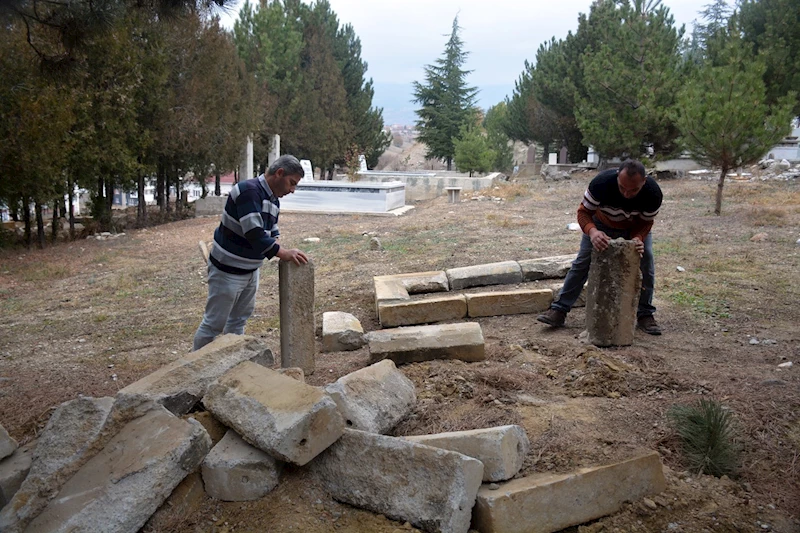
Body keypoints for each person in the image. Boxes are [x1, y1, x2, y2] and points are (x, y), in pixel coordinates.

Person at [193, 155, 309, 351]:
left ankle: (231, 362)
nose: (292, 190)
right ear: (279, 173)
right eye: (291, 183)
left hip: (249, 271)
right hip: (227, 271)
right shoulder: (249, 191)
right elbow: (255, 233)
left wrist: (278, 245)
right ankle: (194, 369)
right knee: (213, 324)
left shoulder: (272, 200)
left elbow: (272, 233)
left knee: (238, 321)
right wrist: (284, 253)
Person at [536, 159, 663, 335]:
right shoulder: (601, 183)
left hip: (632, 228)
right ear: (617, 176)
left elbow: (646, 223)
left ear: (644, 182)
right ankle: (559, 310)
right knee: (582, 262)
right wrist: (593, 232)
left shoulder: (653, 193)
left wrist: (638, 239)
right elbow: (583, 213)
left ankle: (645, 314)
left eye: (633, 190)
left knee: (646, 262)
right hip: (600, 224)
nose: (626, 194)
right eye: (622, 187)